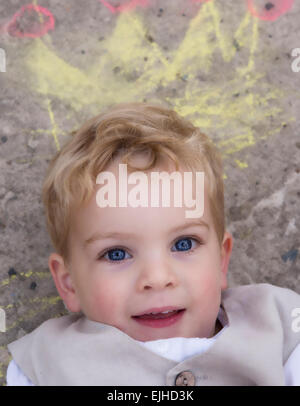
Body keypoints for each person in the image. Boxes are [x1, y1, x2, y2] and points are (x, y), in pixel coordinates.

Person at [6, 102, 300, 386]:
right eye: (117, 253)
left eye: (184, 244)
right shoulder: (48, 365)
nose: (157, 278)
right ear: (69, 283)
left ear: (221, 261)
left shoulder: (279, 330)